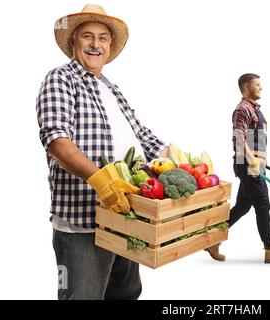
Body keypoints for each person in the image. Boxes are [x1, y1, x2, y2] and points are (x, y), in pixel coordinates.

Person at [36, 4, 169, 299]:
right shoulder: (60, 79)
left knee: (126, 294)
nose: (96, 44)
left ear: (110, 46)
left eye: (103, 38)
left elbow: (143, 136)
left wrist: (177, 160)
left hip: (126, 217)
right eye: (87, 36)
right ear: (73, 41)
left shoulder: (112, 88)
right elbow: (56, 138)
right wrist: (101, 181)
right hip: (83, 223)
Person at [205, 73, 270, 264]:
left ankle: (212, 240)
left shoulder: (254, 109)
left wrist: (261, 160)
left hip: (255, 165)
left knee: (242, 208)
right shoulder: (242, 109)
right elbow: (238, 137)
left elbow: (255, 140)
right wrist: (252, 159)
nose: (261, 88)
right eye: (257, 85)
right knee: (263, 205)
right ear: (246, 87)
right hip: (249, 167)